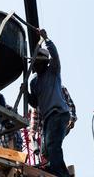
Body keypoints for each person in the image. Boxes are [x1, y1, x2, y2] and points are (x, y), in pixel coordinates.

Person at [27, 30, 70, 176]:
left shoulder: (53, 71)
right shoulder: (34, 82)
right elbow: (35, 103)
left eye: (35, 62)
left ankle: (61, 173)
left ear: (42, 62)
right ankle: (54, 168)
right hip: (48, 118)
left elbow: (55, 56)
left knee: (53, 144)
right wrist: (26, 93)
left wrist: (46, 39)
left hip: (58, 114)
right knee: (45, 148)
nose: (33, 66)